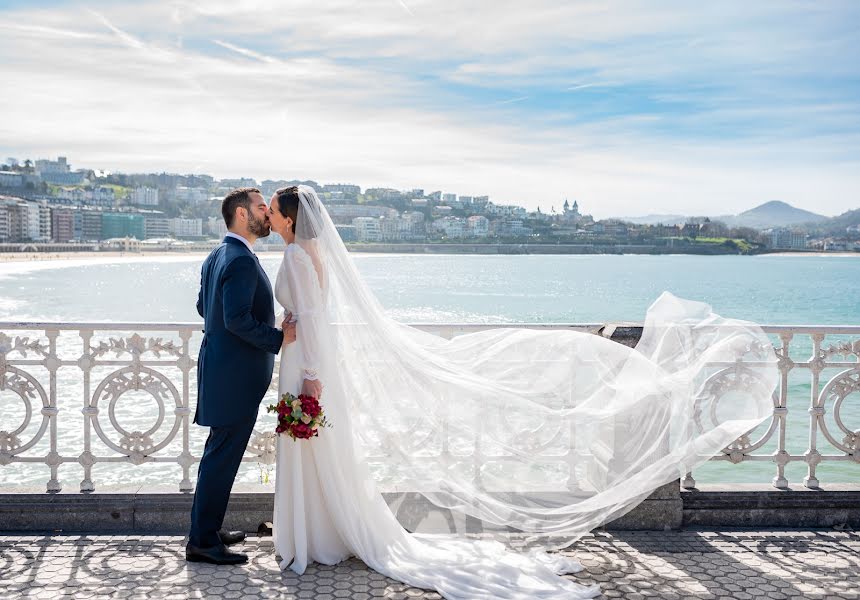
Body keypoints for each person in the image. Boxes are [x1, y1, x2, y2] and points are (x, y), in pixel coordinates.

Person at [266, 184, 778, 599]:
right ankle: (323, 531)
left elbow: (308, 319)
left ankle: (311, 534)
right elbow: (315, 315)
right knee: (323, 450)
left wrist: (309, 373)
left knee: (312, 447)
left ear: (290, 217)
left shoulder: (294, 256)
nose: (267, 214)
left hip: (305, 363)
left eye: (272, 208)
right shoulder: (314, 253)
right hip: (312, 360)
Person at [187, 187, 296, 565]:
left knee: (218, 457)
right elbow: (235, 319)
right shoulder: (241, 260)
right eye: (261, 207)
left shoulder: (218, 254)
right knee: (220, 460)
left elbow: (205, 307)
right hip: (233, 379)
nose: (267, 213)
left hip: (220, 371)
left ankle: (208, 530)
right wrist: (280, 338)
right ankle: (201, 541)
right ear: (240, 214)